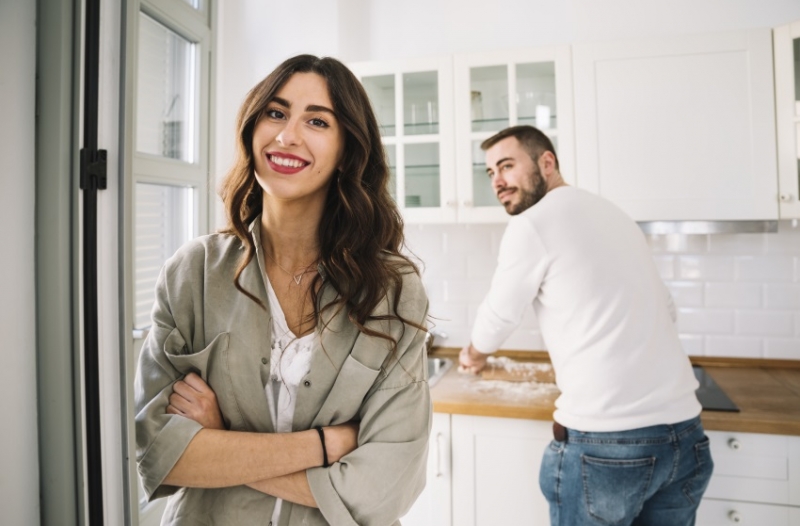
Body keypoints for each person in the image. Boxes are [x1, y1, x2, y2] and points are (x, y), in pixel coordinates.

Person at [135, 54, 431, 526]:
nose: (287, 135)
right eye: (275, 112)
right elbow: (160, 452)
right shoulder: (193, 272)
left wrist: (223, 439)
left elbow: (383, 490)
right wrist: (323, 445)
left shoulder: (392, 291)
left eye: (317, 120)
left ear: (347, 150)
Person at [458, 125, 713, 525]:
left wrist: (472, 354)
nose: (498, 181)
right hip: (684, 437)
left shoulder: (533, 224)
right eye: (490, 172)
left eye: (507, 166)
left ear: (547, 162)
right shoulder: (616, 215)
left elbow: (500, 314)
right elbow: (668, 307)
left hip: (607, 446)